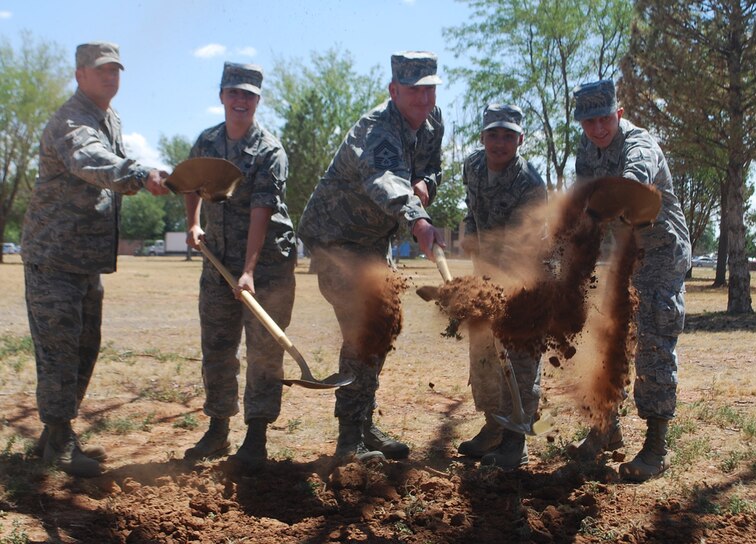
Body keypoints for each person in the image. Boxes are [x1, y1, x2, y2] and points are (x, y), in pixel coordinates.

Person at [21, 42, 169, 477]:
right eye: (102, 70)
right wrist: (139, 173)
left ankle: (55, 436)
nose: (111, 77)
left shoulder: (109, 118)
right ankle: (60, 441)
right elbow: (92, 160)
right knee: (59, 350)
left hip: (83, 261)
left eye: (116, 70)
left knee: (84, 349)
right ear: (80, 74)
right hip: (55, 258)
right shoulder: (71, 121)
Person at [298, 51, 445, 463]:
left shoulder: (433, 122)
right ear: (393, 90)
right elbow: (385, 181)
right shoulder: (376, 129)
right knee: (363, 330)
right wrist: (418, 220)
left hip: (374, 240)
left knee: (382, 327)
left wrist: (426, 183)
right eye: (413, 90)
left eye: (429, 88)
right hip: (337, 239)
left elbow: (430, 168)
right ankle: (349, 440)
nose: (423, 98)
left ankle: (362, 424)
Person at [569, 79, 691, 482]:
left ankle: (656, 447)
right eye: (589, 122)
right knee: (611, 336)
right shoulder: (586, 151)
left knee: (653, 342)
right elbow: (586, 198)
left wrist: (591, 216)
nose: (598, 129)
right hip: (624, 253)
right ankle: (606, 429)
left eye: (605, 119)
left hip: (660, 251)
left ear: (618, 114)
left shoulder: (640, 145)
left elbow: (630, 185)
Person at [183, 62, 297, 471]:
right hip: (218, 261)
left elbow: (261, 210)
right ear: (222, 96)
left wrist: (248, 271)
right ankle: (217, 430)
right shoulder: (207, 140)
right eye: (234, 92)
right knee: (217, 345)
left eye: (248, 95)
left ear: (257, 101)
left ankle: (257, 435)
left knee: (264, 351)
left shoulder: (269, 150)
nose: (240, 100)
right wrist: (194, 223)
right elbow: (190, 183)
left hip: (266, 265)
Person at [458, 104, 547, 471]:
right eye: (493, 134)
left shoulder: (530, 184)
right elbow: (472, 210)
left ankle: (516, 441)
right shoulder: (472, 167)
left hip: (526, 275)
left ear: (520, 140)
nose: (499, 142)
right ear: (482, 138)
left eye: (508, 136)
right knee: (484, 354)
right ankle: (493, 427)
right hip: (487, 273)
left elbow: (521, 248)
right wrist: (468, 232)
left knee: (519, 356)